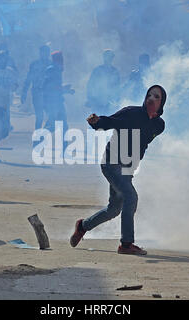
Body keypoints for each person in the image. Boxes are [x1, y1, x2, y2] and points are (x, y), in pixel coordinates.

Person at [70, 85, 167, 255]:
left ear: (162, 104)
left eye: (156, 97)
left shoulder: (159, 126)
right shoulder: (131, 113)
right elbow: (109, 122)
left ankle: (83, 226)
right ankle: (126, 244)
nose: (151, 98)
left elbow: (142, 143)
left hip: (127, 169)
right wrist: (96, 122)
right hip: (111, 164)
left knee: (114, 209)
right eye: (149, 95)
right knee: (131, 197)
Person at [42, 51, 75, 133]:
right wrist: (66, 90)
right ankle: (39, 140)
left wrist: (64, 87)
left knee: (59, 125)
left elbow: (54, 85)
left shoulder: (55, 69)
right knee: (54, 125)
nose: (62, 61)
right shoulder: (53, 70)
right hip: (52, 102)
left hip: (56, 101)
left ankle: (39, 140)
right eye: (60, 58)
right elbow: (51, 87)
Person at [21, 45, 52, 130]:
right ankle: (38, 135)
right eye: (43, 52)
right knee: (39, 116)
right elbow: (28, 79)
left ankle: (44, 132)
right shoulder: (34, 64)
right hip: (36, 92)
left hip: (48, 94)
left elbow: (54, 80)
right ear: (40, 53)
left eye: (46, 52)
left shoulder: (51, 65)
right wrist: (24, 92)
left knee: (51, 115)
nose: (44, 54)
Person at [86, 49, 120, 114]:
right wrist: (90, 98)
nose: (109, 59)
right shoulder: (97, 70)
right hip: (98, 100)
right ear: (104, 58)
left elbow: (117, 86)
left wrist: (117, 99)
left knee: (108, 119)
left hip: (110, 101)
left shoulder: (114, 71)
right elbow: (90, 85)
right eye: (107, 57)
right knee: (96, 119)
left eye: (110, 57)